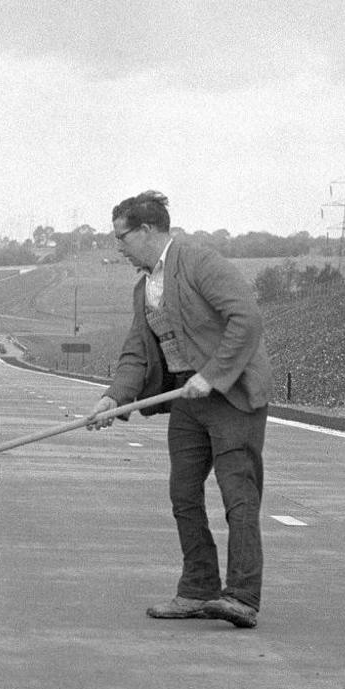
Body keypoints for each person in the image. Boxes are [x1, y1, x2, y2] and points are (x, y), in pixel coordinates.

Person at [88, 190, 274, 629]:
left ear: (148, 230)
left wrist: (212, 375)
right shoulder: (145, 288)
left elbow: (246, 319)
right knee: (183, 494)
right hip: (186, 402)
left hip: (230, 397)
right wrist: (114, 398)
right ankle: (198, 589)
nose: (118, 247)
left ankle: (243, 596)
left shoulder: (199, 262)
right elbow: (137, 351)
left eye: (122, 237)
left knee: (238, 496)